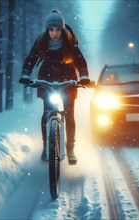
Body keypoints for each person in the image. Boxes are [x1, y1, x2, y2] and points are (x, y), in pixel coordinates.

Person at [19, 10, 90, 164]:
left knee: (69, 114)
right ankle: (46, 147)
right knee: (47, 113)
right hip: (47, 80)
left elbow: (80, 61)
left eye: (58, 29)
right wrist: (25, 74)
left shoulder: (69, 42)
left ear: (62, 29)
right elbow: (31, 59)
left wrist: (84, 76)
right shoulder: (41, 42)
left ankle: (70, 149)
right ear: (47, 30)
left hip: (68, 80)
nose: (55, 33)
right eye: (51, 29)